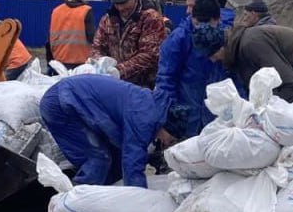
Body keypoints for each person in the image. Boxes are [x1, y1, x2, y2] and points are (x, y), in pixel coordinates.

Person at [39, 75, 186, 187]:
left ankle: (104, 197)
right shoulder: (144, 119)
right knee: (98, 158)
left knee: (116, 157)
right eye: (170, 139)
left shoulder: (153, 108)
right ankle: (78, 200)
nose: (167, 143)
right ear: (166, 126)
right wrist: (139, 198)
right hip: (61, 104)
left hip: (74, 99)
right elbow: (132, 163)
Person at [191, 0, 293, 102]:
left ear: (221, 47)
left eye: (213, 56)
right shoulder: (238, 50)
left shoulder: (252, 43)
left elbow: (289, 84)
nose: (213, 60)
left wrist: (270, 117)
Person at [155, 0, 236, 138]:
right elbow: (165, 80)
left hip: (220, 119)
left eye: (208, 23)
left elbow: (237, 79)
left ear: (217, 19)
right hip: (188, 117)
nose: (202, 27)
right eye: (198, 22)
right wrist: (165, 119)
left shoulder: (229, 38)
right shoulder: (178, 40)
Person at [92, 0, 167, 87]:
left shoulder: (150, 18)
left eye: (124, 3)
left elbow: (150, 54)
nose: (121, 8)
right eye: (117, 4)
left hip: (144, 85)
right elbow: (98, 46)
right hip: (115, 84)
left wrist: (120, 70)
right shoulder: (108, 19)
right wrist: (97, 63)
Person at [46, 0, 95, 71]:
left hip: (59, 63)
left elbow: (49, 39)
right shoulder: (86, 11)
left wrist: (49, 62)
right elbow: (91, 37)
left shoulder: (56, 11)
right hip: (80, 63)